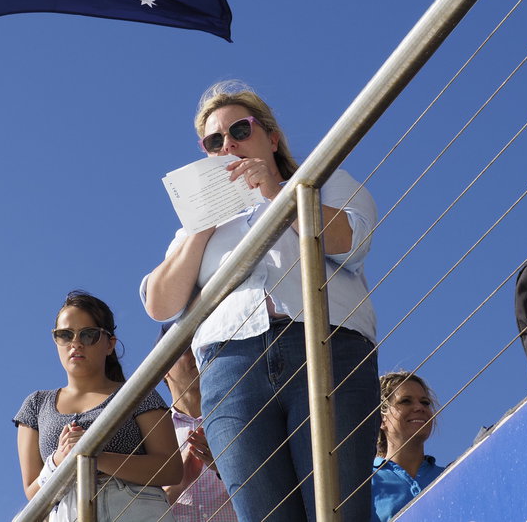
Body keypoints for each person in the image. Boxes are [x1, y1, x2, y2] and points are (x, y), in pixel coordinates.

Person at [141, 80, 379, 522]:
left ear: (271, 137)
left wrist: (278, 192)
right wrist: (200, 227)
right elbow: (160, 302)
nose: (228, 144)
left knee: (340, 509)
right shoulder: (194, 230)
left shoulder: (323, 181)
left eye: (240, 130)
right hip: (230, 371)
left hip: (325, 346)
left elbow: (348, 240)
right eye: (215, 141)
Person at [14, 291, 182, 522]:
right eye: (65, 335)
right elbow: (32, 490)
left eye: (88, 334)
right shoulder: (35, 405)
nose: (75, 344)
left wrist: (92, 456)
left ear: (110, 344)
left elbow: (171, 468)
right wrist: (59, 460)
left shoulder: (138, 393)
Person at [159, 325, 237, 521]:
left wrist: (225, 467)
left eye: (202, 343)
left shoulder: (239, 418)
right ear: (162, 369)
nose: (197, 350)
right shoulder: (151, 435)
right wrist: (179, 483)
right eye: (186, 346)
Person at [371, 371, 445, 522]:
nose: (420, 407)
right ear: (381, 418)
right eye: (405, 401)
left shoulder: (450, 474)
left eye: (425, 402)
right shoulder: (365, 482)